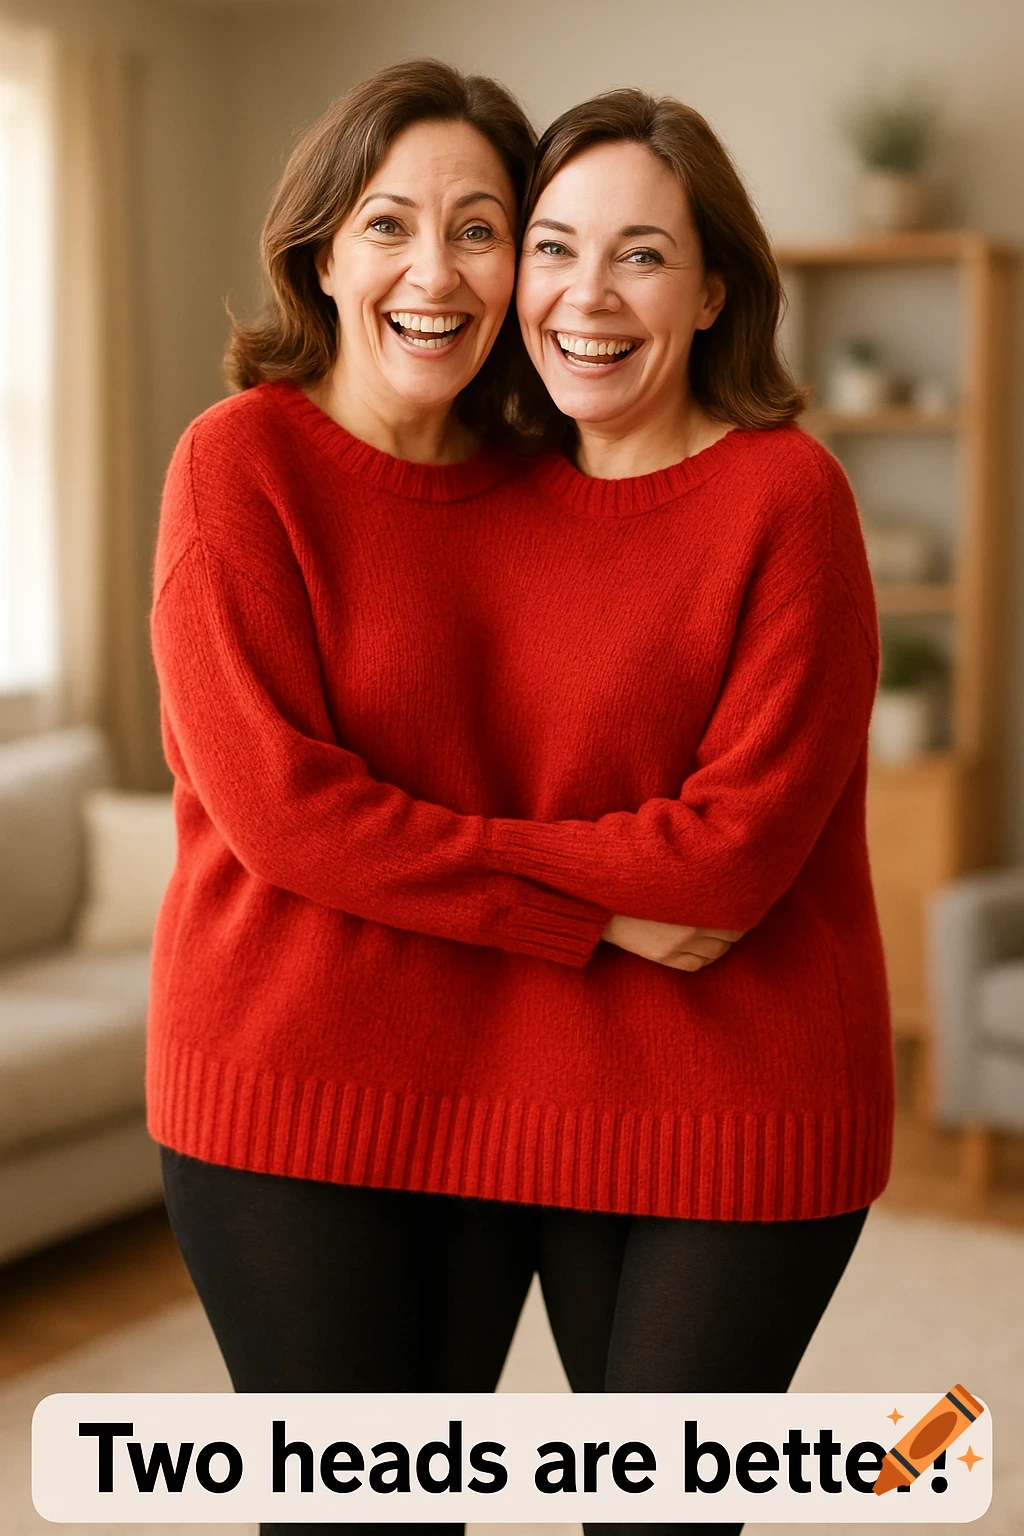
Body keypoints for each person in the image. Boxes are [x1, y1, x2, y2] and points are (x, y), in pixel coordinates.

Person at [150, 64, 892, 1536]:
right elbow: (289, 814)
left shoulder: (552, 480)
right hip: (286, 1064)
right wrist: (602, 912)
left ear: (713, 293)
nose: (445, 270)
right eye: (393, 225)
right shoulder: (236, 462)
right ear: (320, 249)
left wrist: (598, 901)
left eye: (483, 228)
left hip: (504, 1084)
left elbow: (730, 844)